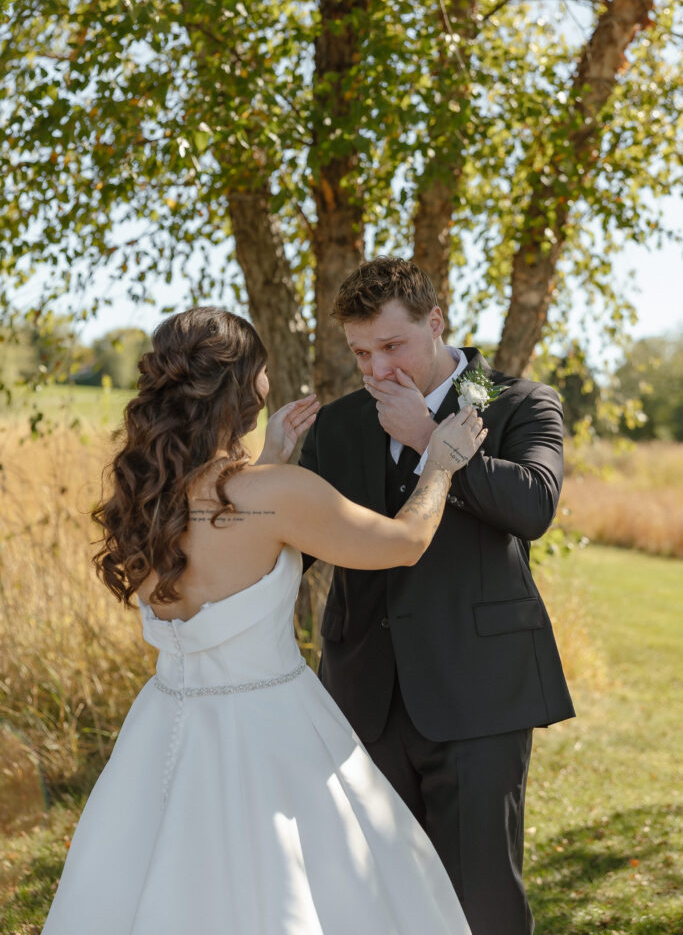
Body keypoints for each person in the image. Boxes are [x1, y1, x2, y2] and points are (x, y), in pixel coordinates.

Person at [41, 305, 486, 935]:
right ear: (247, 385)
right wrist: (440, 461)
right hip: (274, 731)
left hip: (165, 723)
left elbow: (226, 531)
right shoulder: (277, 495)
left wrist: (273, 454)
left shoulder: (142, 496)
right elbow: (402, 543)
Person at [299, 257, 575, 935]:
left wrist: (429, 441)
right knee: (377, 895)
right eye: (361, 352)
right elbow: (297, 543)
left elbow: (534, 507)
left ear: (435, 323)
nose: (375, 369)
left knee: (480, 896)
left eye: (391, 346)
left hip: (479, 691)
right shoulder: (336, 425)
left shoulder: (516, 401)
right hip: (362, 692)